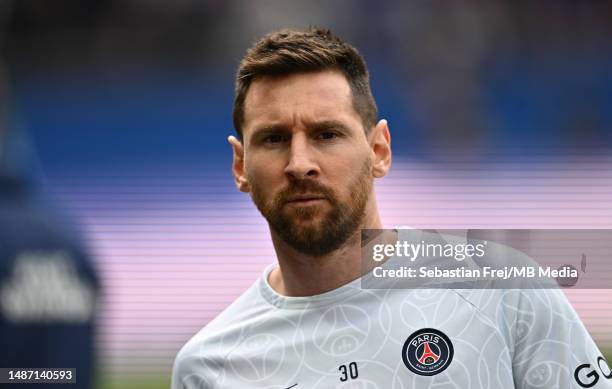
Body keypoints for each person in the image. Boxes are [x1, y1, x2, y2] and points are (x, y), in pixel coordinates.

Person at [172, 27, 611, 388]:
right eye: (274, 139)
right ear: (240, 165)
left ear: (379, 149)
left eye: (327, 135)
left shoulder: (504, 292)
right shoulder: (211, 367)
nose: (300, 164)